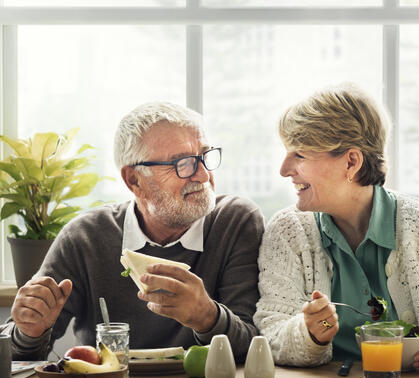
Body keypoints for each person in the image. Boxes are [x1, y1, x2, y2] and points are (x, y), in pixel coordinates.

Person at [254, 83, 419, 373]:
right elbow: (271, 334)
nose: (284, 169)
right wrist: (308, 334)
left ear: (351, 161)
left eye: (300, 155)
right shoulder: (288, 231)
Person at [1, 102, 264, 362]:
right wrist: (28, 332)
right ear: (134, 180)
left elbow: (255, 348)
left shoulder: (235, 222)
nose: (204, 176)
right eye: (183, 163)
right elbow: (16, 356)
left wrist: (207, 317)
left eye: (205, 156)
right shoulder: (85, 238)